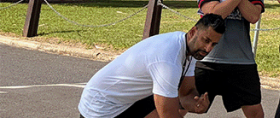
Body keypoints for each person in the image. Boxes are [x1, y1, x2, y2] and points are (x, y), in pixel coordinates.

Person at [78, 13, 225, 118]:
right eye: (206, 41)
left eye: (214, 44)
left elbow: (186, 93)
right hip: (101, 106)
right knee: (166, 107)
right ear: (193, 32)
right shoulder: (168, 59)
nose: (208, 49)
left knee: (166, 103)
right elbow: (168, 114)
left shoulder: (191, 50)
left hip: (128, 101)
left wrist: (194, 104)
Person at [195, 0, 265, 118]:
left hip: (241, 61)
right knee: (183, 106)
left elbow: (253, 16)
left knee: (256, 112)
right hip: (207, 59)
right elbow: (213, 16)